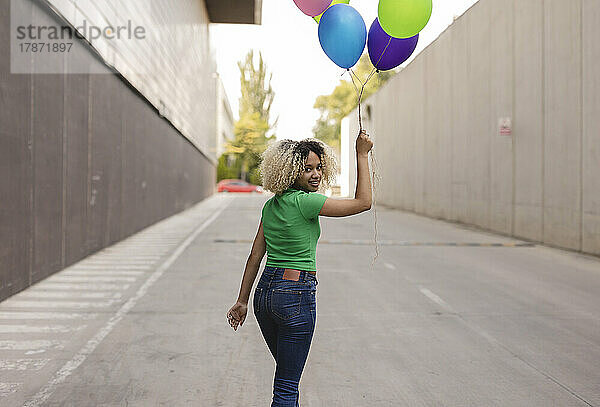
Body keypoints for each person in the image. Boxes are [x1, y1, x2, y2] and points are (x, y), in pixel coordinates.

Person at [226, 130, 373, 406]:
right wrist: (362, 154)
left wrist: (242, 300)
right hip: (294, 295)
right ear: (291, 172)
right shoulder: (307, 202)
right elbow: (364, 203)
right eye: (307, 169)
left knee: (287, 380)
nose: (315, 174)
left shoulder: (270, 206)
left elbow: (255, 256)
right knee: (285, 388)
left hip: (264, 297)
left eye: (318, 168)